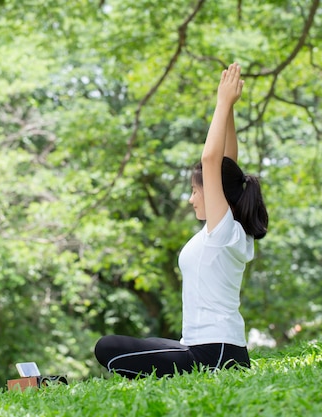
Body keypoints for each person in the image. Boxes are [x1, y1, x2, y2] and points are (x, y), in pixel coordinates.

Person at [94, 63, 268, 378]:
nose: (191, 198)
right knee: (143, 344)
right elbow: (227, 163)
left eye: (194, 190)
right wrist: (229, 110)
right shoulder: (230, 229)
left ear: (216, 193)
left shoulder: (224, 230)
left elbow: (212, 160)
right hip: (216, 349)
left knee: (107, 347)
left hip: (212, 354)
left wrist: (222, 102)